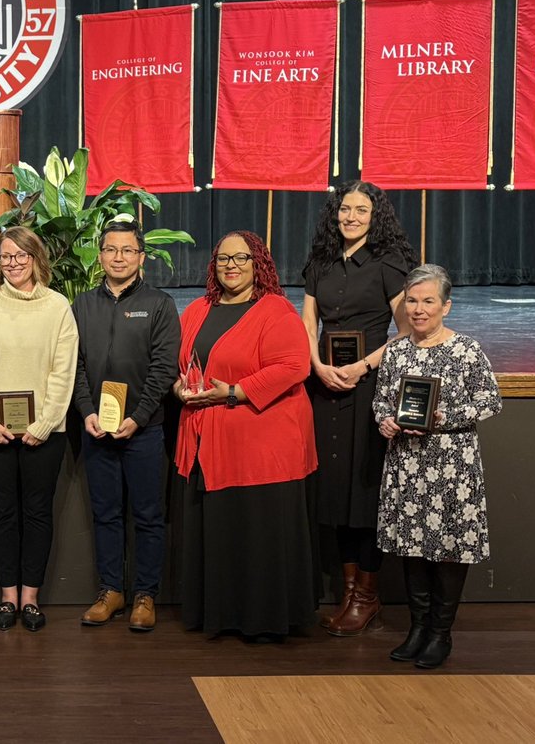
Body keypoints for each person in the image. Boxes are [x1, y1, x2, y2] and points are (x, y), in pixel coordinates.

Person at [173, 231, 316, 639]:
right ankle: (222, 616)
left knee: (256, 535)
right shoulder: (199, 309)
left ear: (259, 265)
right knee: (223, 534)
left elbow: (294, 366)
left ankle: (261, 621)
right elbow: (178, 364)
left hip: (261, 447)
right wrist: (178, 388)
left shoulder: (274, 310)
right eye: (222, 259)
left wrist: (235, 392)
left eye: (241, 258)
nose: (231, 266)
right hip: (208, 442)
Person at [302, 181, 417, 636]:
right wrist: (316, 364)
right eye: (345, 209)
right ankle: (350, 592)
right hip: (326, 384)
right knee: (334, 489)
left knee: (362, 491)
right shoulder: (322, 262)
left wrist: (362, 367)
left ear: (375, 216)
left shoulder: (389, 263)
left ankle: (367, 597)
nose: (350, 217)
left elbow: (407, 329)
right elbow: (309, 320)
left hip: (369, 388)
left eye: (361, 210)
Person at [374, 264, 501, 669]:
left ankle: (440, 634)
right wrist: (385, 421)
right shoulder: (395, 350)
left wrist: (441, 416)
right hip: (407, 465)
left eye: (428, 301)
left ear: (446, 305)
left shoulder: (467, 349)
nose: (418, 309)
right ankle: (417, 628)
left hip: (451, 468)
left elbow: (489, 401)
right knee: (411, 548)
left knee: (447, 552)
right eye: (412, 300)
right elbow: (380, 402)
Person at [0, 226, 78, 632]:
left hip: (44, 432)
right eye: (6, 256)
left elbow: (63, 372)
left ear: (35, 258)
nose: (12, 263)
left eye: (20, 256)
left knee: (37, 513)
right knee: (2, 514)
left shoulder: (58, 307)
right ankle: (7, 598)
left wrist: (45, 423)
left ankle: (30, 598)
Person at [73, 219, 180, 632]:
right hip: (97, 429)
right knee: (106, 514)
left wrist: (137, 418)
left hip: (145, 430)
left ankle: (145, 596)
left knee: (150, 516)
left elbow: (163, 368)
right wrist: (87, 412)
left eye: (127, 251)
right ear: (100, 256)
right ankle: (112, 591)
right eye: (111, 250)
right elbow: (75, 366)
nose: (119, 258)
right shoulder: (82, 305)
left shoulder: (159, 304)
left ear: (141, 257)